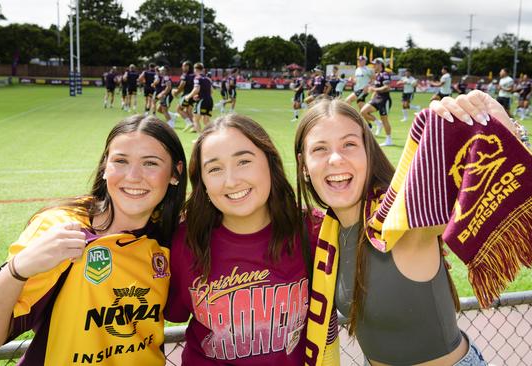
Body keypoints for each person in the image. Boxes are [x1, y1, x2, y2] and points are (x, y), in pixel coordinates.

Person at [0, 115, 187, 365]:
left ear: (175, 173)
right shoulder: (62, 228)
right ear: (104, 167)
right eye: (120, 160)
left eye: (150, 163)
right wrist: (17, 269)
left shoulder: (172, 236)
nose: (132, 176)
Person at [294, 97, 508, 366]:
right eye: (320, 149)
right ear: (304, 166)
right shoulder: (325, 232)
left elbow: (483, 188)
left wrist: (502, 123)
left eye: (349, 144)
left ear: (368, 152)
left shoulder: (403, 220)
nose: (336, 159)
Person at [165, 113, 320, 364]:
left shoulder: (312, 231)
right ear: (202, 182)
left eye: (243, 161)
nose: (231, 180)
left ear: (270, 162)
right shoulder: (185, 241)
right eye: (214, 168)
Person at [360, 58, 393, 146]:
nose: (373, 66)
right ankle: (378, 123)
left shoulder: (385, 74)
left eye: (375, 64)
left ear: (380, 64)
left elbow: (387, 87)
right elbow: (376, 87)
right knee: (363, 112)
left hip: (384, 99)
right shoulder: (377, 75)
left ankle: (389, 140)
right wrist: (372, 96)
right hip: (376, 98)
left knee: (385, 119)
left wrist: (374, 89)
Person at [184, 62, 214, 132]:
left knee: (195, 119)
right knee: (206, 121)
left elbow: (196, 89)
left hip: (202, 101)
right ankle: (212, 135)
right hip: (209, 100)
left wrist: (188, 96)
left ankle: (200, 139)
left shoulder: (197, 78)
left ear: (195, 69)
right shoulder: (208, 79)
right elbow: (212, 91)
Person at [175, 61, 196, 132]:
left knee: (178, 109)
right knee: (189, 111)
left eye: (183, 66)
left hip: (186, 95)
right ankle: (195, 127)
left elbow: (182, 84)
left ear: (188, 66)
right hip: (193, 96)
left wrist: (177, 92)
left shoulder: (184, 75)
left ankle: (189, 123)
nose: (182, 67)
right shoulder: (194, 75)